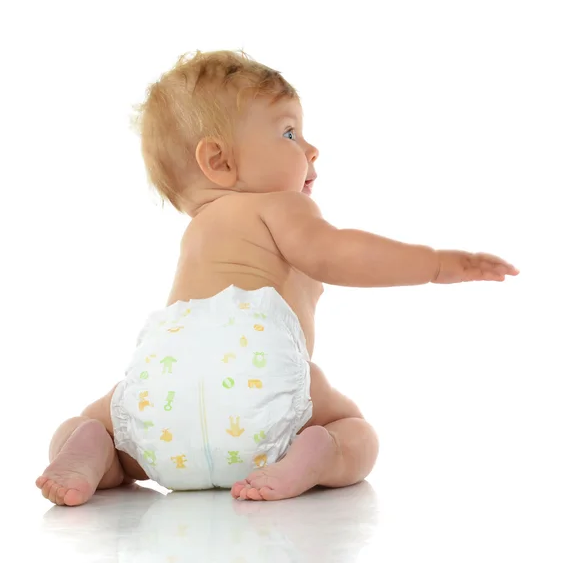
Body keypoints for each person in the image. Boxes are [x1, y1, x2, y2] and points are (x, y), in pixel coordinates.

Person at [36, 49, 519, 506]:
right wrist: (436, 264)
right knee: (355, 428)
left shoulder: (199, 233)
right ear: (219, 161)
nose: (311, 148)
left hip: (158, 395)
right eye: (289, 133)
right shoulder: (280, 205)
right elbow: (336, 254)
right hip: (254, 379)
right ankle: (319, 454)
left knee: (92, 423)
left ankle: (88, 451)